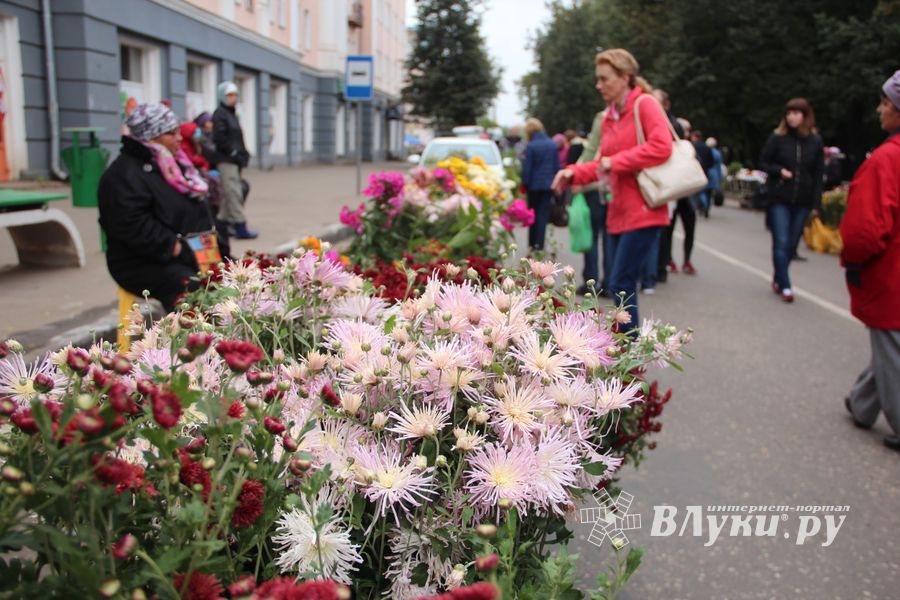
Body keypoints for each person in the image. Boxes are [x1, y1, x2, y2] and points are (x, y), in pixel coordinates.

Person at [553, 48, 672, 329]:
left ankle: (629, 354)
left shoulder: (645, 104)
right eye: (599, 79)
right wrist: (572, 173)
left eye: (605, 79)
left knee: (620, 282)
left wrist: (615, 161)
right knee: (619, 284)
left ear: (625, 77)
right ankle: (626, 352)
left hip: (644, 208)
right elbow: (600, 164)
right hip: (617, 209)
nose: (599, 85)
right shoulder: (608, 117)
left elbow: (661, 146)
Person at [98, 103, 230, 313]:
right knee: (193, 291)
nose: (179, 138)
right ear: (150, 136)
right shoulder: (121, 176)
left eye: (178, 131)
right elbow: (133, 226)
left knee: (236, 279)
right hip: (145, 262)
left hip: (190, 250)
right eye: (171, 133)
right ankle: (194, 342)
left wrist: (215, 243)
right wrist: (179, 248)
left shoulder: (171, 163)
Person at [841, 70, 900, 452]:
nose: (880, 110)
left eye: (885, 102)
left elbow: (864, 229)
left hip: (890, 271)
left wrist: (853, 258)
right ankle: (862, 403)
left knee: (891, 344)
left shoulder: (886, 159)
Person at [758, 97, 825, 303]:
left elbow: (818, 174)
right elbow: (763, 162)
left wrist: (816, 204)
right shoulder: (777, 138)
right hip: (780, 197)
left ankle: (779, 276)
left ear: (805, 116)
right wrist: (779, 171)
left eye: (796, 113)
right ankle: (786, 285)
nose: (792, 117)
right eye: (789, 113)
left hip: (802, 201)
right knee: (781, 240)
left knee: (792, 244)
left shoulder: (815, 142)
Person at [574, 110, 612, 296]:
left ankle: (591, 280)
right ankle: (610, 282)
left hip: (594, 191)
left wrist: (577, 180)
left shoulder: (602, 118)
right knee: (609, 238)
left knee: (592, 237)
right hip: (612, 192)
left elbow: (587, 158)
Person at [213, 81, 257, 239]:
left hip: (235, 160)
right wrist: (232, 152)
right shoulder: (220, 114)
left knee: (228, 193)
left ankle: (220, 225)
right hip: (226, 160)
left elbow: (237, 137)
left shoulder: (231, 114)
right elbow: (219, 137)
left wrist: (243, 153)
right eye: (229, 95)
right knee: (234, 192)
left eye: (235, 95)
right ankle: (240, 226)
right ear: (222, 96)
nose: (233, 98)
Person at [521, 118, 560, 251]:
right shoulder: (552, 144)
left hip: (533, 185)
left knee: (532, 214)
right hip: (548, 184)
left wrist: (524, 183)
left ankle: (532, 244)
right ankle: (540, 246)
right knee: (543, 215)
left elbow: (528, 167)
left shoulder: (531, 146)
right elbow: (556, 166)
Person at [690, 130, 714, 217]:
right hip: (705, 171)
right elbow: (711, 162)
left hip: (695, 171)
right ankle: (706, 205)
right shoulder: (707, 148)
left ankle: (698, 205)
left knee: (696, 191)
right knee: (705, 190)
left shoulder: (692, 146)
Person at [706, 137, 724, 208]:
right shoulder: (717, 153)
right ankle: (707, 205)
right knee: (710, 191)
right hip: (715, 173)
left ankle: (705, 204)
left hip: (707, 172)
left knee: (705, 190)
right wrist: (720, 177)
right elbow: (719, 166)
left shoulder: (706, 151)